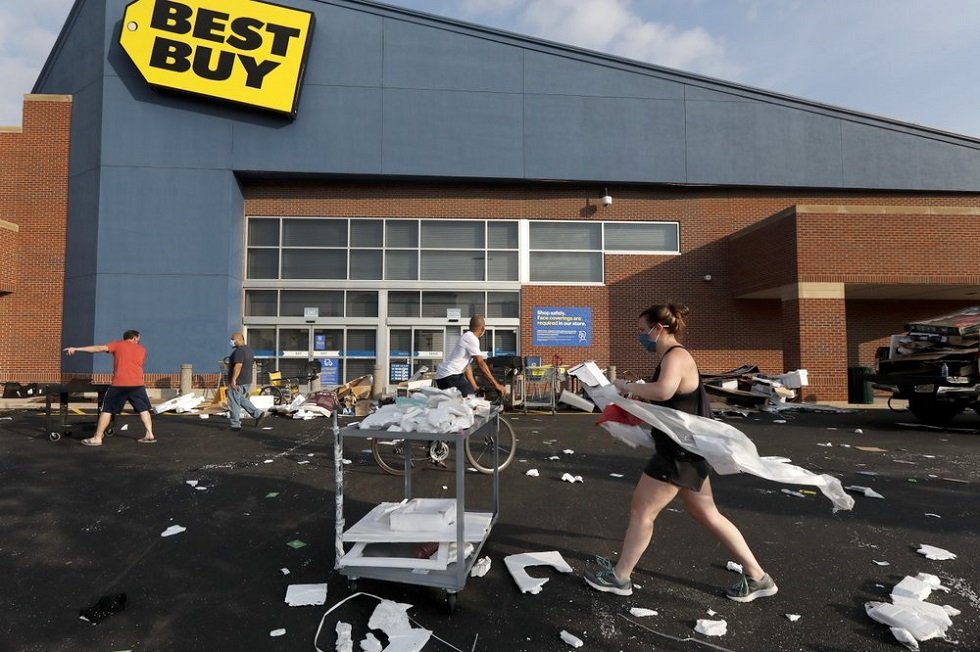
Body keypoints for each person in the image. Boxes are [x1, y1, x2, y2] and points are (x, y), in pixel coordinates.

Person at [584, 303, 777, 603]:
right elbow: (668, 402)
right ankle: (758, 577)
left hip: (679, 454)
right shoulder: (674, 358)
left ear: (658, 329)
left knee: (641, 510)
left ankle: (620, 578)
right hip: (688, 451)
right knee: (707, 513)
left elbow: (663, 391)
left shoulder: (677, 356)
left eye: (642, 331)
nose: (641, 337)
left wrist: (624, 385)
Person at [63, 329, 157, 446]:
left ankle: (97, 438)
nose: (139, 341)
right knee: (143, 409)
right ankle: (149, 434)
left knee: (107, 410)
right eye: (138, 339)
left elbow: (98, 349)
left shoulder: (117, 345)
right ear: (134, 338)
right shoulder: (142, 350)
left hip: (119, 384)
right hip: (137, 384)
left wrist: (77, 349)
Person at [434, 315, 507, 398]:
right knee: (471, 401)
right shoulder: (471, 338)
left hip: (448, 376)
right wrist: (496, 385)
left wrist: (474, 386)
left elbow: (467, 367)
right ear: (482, 328)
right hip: (449, 376)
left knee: (467, 399)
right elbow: (481, 364)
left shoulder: (467, 337)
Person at [227, 332, 267, 432]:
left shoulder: (239, 351)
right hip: (246, 380)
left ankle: (235, 425)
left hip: (238, 381)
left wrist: (233, 380)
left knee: (234, 401)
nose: (231, 341)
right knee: (240, 399)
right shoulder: (249, 350)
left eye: (233, 339)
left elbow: (238, 365)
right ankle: (257, 413)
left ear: (240, 339)